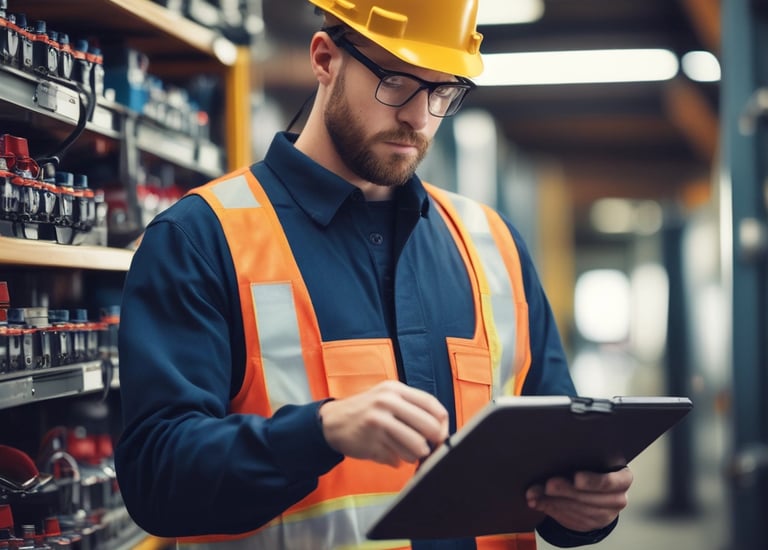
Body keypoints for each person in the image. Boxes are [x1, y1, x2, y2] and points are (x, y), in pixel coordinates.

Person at [114, 0, 633, 548]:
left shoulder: (493, 243)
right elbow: (156, 480)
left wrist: (586, 508)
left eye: (442, 91)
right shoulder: (202, 237)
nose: (419, 117)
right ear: (325, 58)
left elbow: (553, 458)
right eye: (399, 82)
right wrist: (319, 433)